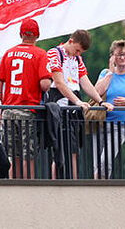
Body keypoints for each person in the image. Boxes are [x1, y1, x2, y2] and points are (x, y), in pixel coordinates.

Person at [45, 29, 112, 178]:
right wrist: (77, 101)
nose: (77, 54)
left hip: (74, 101)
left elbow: (85, 81)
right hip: (59, 100)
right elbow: (59, 82)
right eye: (77, 50)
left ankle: (74, 184)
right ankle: (55, 184)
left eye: (80, 52)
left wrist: (100, 101)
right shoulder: (54, 53)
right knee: (59, 150)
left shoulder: (77, 59)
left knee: (74, 149)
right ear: (71, 41)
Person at [0, 18, 51, 179]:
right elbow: (45, 84)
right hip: (28, 110)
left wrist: (1, 106)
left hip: (8, 111)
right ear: (37, 35)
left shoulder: (9, 53)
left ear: (20, 34)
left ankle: (13, 188)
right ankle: (29, 189)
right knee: (29, 155)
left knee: (13, 156)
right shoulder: (40, 54)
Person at [93, 39, 125, 178]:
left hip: (121, 125)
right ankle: (96, 191)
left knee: (105, 161)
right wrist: (110, 72)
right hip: (101, 123)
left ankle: (100, 189)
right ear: (112, 57)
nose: (122, 58)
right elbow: (97, 92)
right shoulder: (106, 73)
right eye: (119, 55)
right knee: (96, 163)